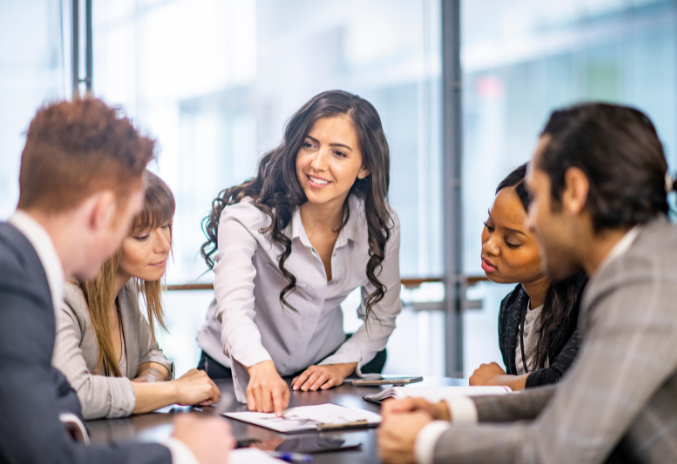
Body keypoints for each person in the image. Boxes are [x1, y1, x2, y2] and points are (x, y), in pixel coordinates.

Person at [377, 103, 677, 464]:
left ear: (574, 191)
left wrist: (428, 443)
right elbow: (580, 395)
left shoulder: (651, 280)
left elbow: (557, 451)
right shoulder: (657, 258)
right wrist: (454, 413)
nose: (533, 222)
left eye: (537, 197)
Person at [0, 97, 233, 464]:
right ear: (102, 214)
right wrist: (181, 452)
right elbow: (44, 457)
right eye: (131, 225)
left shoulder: (20, 269)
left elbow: (56, 405)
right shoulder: (14, 285)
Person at [196, 90, 402, 415]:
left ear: (366, 167)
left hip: (317, 375)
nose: (317, 163)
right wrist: (259, 365)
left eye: (339, 153)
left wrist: (339, 365)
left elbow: (382, 315)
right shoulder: (247, 218)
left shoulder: (380, 224)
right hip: (234, 370)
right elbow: (234, 310)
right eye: (309, 145)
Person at [52, 171, 221, 419]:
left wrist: (149, 384)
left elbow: (153, 355)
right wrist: (173, 390)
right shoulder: (63, 298)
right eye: (142, 236)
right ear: (104, 239)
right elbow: (76, 394)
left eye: (166, 226)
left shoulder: (124, 289)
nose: (165, 245)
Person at [470, 164, 587, 391]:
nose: (490, 246)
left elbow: (565, 385)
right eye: (490, 226)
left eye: (512, 241)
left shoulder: (589, 298)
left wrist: (495, 382)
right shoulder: (511, 309)